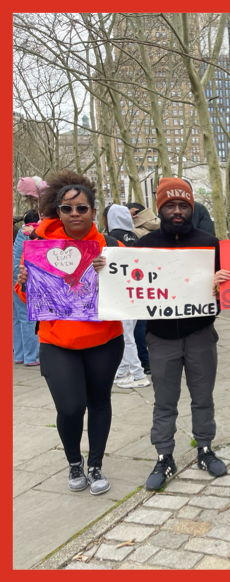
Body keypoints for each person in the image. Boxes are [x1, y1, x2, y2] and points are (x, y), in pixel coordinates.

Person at [15, 170, 125, 495]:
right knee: (70, 407)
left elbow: (129, 289)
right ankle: (74, 461)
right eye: (67, 208)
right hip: (57, 341)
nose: (75, 213)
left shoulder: (111, 246)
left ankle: (96, 465)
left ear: (93, 210)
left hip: (104, 339)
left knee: (99, 401)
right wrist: (24, 282)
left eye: (82, 208)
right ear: (57, 210)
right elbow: (28, 299)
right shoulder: (38, 245)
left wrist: (112, 272)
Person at [133, 177, 230, 490]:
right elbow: (129, 284)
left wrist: (222, 282)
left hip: (201, 332)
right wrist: (104, 269)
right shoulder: (143, 246)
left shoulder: (209, 242)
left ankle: (205, 449)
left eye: (183, 205)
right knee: (164, 401)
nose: (177, 211)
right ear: (160, 208)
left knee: (203, 398)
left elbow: (225, 290)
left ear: (191, 207)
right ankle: (164, 456)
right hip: (160, 337)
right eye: (170, 205)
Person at [105, 204, 150, 389]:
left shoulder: (111, 238)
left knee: (125, 335)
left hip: (120, 292)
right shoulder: (134, 236)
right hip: (135, 289)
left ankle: (138, 375)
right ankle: (122, 371)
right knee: (128, 332)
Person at [126, 202, 155, 374]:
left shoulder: (131, 234)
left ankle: (143, 361)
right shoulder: (157, 227)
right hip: (151, 284)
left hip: (135, 284)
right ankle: (147, 361)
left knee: (134, 328)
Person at [13, 208, 41, 366]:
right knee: (28, 317)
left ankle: (19, 355)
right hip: (22, 275)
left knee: (16, 318)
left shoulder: (22, 231)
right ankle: (32, 357)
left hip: (10, 273)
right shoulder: (33, 232)